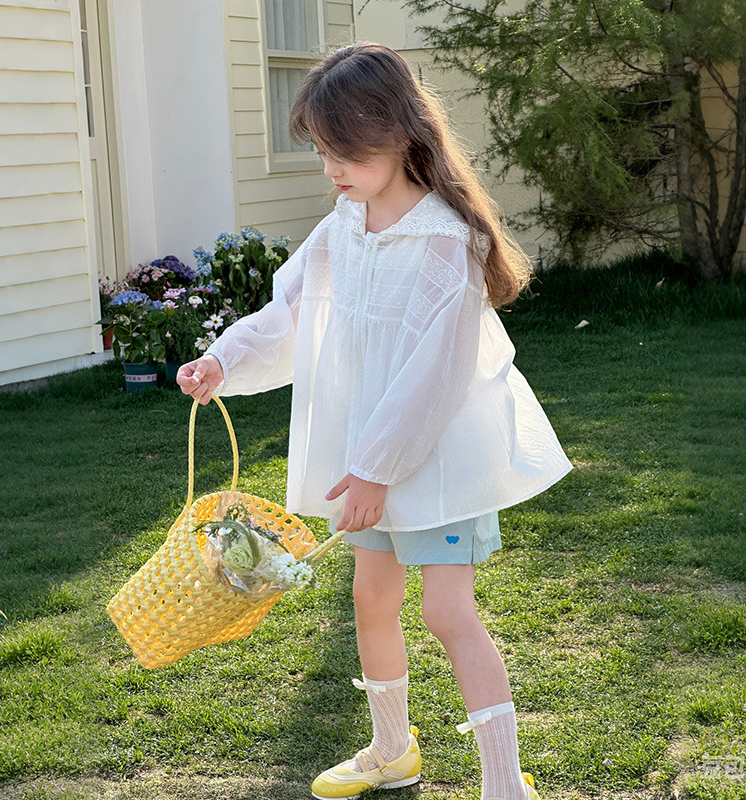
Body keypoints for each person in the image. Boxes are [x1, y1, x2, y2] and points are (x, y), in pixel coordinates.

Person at [177, 41, 572, 800]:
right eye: (323, 152)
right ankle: (392, 747)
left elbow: (433, 382)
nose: (331, 169)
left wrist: (375, 471)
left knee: (448, 612)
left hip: (431, 465)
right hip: (368, 463)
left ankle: (503, 783)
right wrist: (223, 361)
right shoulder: (343, 228)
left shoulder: (445, 245)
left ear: (398, 134)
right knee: (370, 598)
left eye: (344, 152)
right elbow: (291, 313)